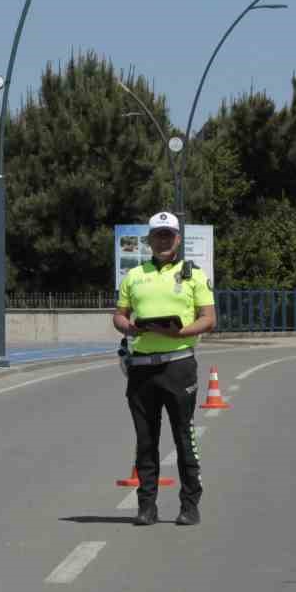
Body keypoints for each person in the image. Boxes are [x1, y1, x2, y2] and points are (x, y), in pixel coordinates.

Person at [112, 212, 216, 527]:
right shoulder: (133, 276)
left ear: (178, 239)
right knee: (146, 440)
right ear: (149, 240)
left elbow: (208, 318)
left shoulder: (193, 274)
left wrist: (180, 333)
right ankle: (146, 506)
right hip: (141, 368)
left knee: (184, 435)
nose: (163, 240)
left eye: (169, 235)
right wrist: (128, 328)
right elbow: (119, 315)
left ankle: (190, 505)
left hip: (179, 364)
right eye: (158, 235)